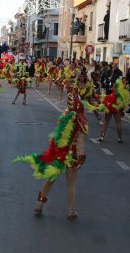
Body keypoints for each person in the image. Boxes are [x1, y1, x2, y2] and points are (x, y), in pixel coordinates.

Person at [14, 85, 88, 220]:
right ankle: (71, 211)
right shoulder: (81, 122)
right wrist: (81, 157)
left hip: (60, 154)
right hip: (72, 156)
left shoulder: (64, 117)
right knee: (71, 184)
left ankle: (39, 205)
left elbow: (57, 137)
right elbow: (80, 143)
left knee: (51, 178)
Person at [94, 76, 130, 143]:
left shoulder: (116, 84)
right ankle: (119, 138)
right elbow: (125, 99)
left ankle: (101, 136)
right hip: (118, 105)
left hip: (111, 103)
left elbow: (113, 91)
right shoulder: (125, 88)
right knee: (118, 122)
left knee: (106, 122)